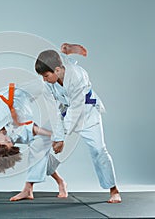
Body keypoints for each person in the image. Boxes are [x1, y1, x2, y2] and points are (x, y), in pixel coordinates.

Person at [0, 53, 68, 200]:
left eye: (7, 141)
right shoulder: (11, 137)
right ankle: (52, 183)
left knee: (47, 83)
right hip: (21, 112)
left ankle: (35, 187)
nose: (10, 139)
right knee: (38, 146)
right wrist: (54, 136)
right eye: (11, 142)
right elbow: (31, 130)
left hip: (16, 94)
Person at [34, 43, 122, 203]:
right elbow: (52, 110)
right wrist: (57, 138)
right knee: (41, 143)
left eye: (46, 75)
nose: (44, 79)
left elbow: (77, 109)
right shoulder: (47, 82)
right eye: (42, 76)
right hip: (65, 109)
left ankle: (114, 189)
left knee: (98, 151)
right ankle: (50, 181)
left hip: (87, 111)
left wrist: (61, 138)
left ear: (57, 71)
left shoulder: (77, 76)